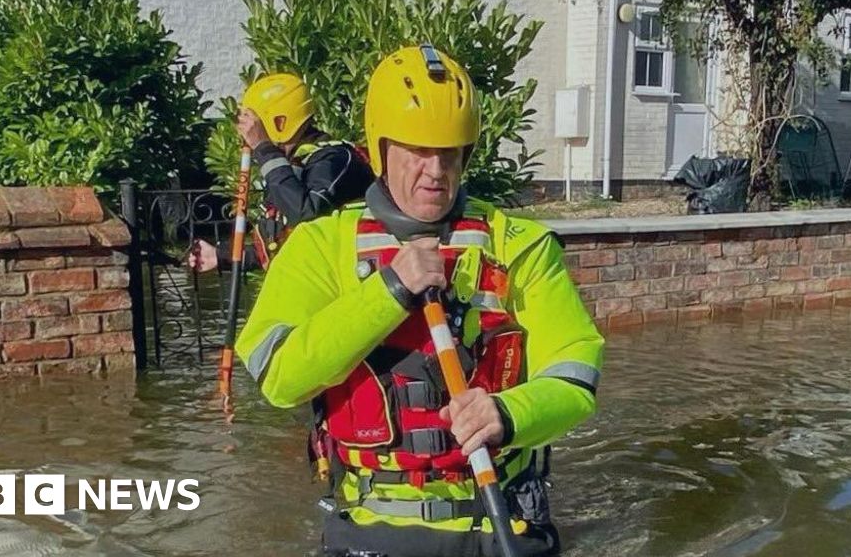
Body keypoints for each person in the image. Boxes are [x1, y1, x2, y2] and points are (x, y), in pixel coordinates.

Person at [236, 45, 605, 557]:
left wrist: (507, 412)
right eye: (417, 150)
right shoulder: (320, 245)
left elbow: (575, 378)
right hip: (370, 528)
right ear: (381, 148)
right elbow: (280, 378)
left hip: (502, 521)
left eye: (449, 152)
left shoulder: (520, 245)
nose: (435, 170)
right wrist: (388, 291)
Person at [188, 73, 374, 272]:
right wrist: (220, 255)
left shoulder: (335, 159)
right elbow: (279, 246)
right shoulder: (287, 167)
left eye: (257, 126)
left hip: (341, 281)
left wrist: (264, 148)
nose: (251, 135)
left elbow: (306, 215)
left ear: (280, 123)